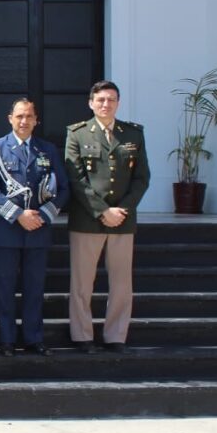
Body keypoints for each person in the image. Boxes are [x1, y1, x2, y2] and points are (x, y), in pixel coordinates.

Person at [64, 80, 150, 354]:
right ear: (91, 103)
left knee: (122, 285)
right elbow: (76, 179)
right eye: (100, 100)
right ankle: (82, 335)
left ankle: (115, 336)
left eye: (111, 99)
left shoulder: (133, 134)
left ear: (118, 103)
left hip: (122, 221)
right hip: (88, 220)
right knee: (81, 283)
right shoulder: (77, 134)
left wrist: (121, 210)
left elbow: (142, 178)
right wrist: (102, 211)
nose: (105, 104)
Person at [0, 99, 69, 357]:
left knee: (34, 288)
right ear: (10, 118)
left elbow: (63, 188)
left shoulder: (47, 150)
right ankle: (7, 340)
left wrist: (43, 215)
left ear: (36, 120)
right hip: (6, 231)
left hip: (38, 230)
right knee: (5, 289)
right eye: (19, 116)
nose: (24, 121)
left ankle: (33, 338)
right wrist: (18, 215)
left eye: (29, 116)